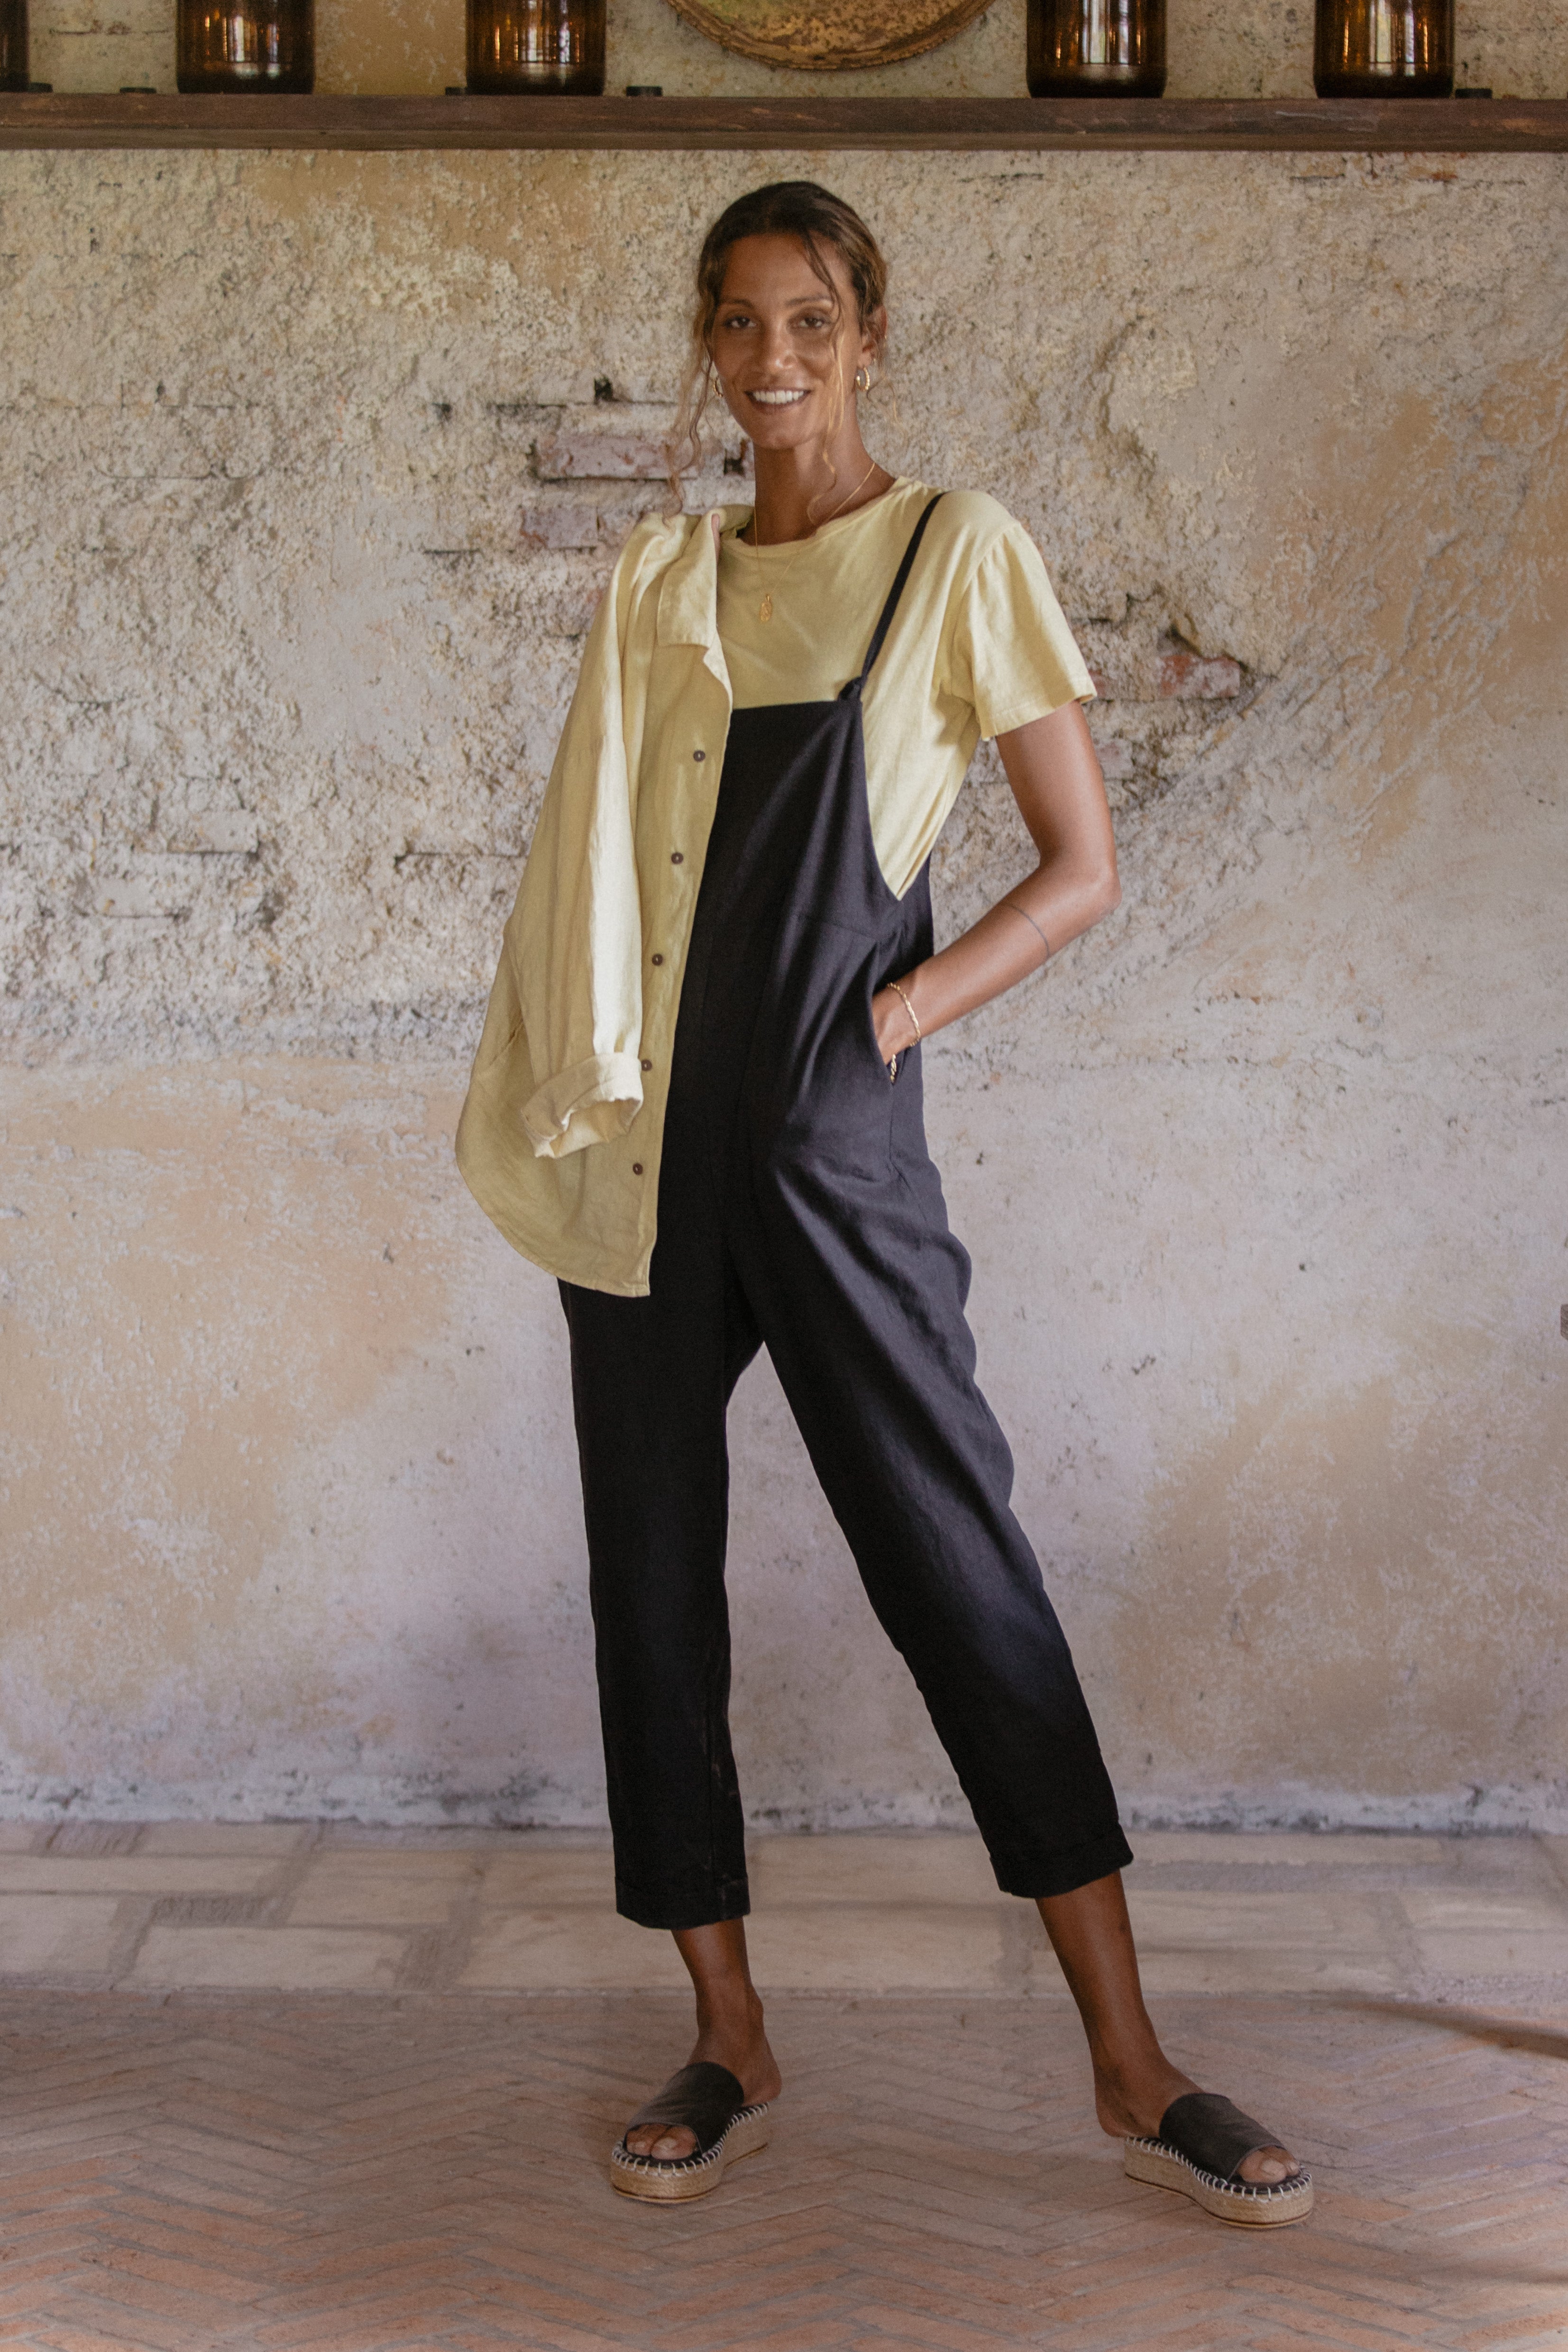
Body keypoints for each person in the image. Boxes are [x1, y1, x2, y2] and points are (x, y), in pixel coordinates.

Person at [457, 180, 1310, 2230]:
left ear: (866, 339)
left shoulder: (956, 553)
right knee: (647, 1592)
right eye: (738, 323)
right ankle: (727, 2027)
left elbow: (1078, 860)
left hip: (831, 1150)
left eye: (811, 323)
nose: (770, 361)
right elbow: (606, 878)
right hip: (643, 1155)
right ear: (704, 340)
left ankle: (1126, 2054)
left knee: (957, 1567)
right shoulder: (660, 573)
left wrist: (899, 1011)